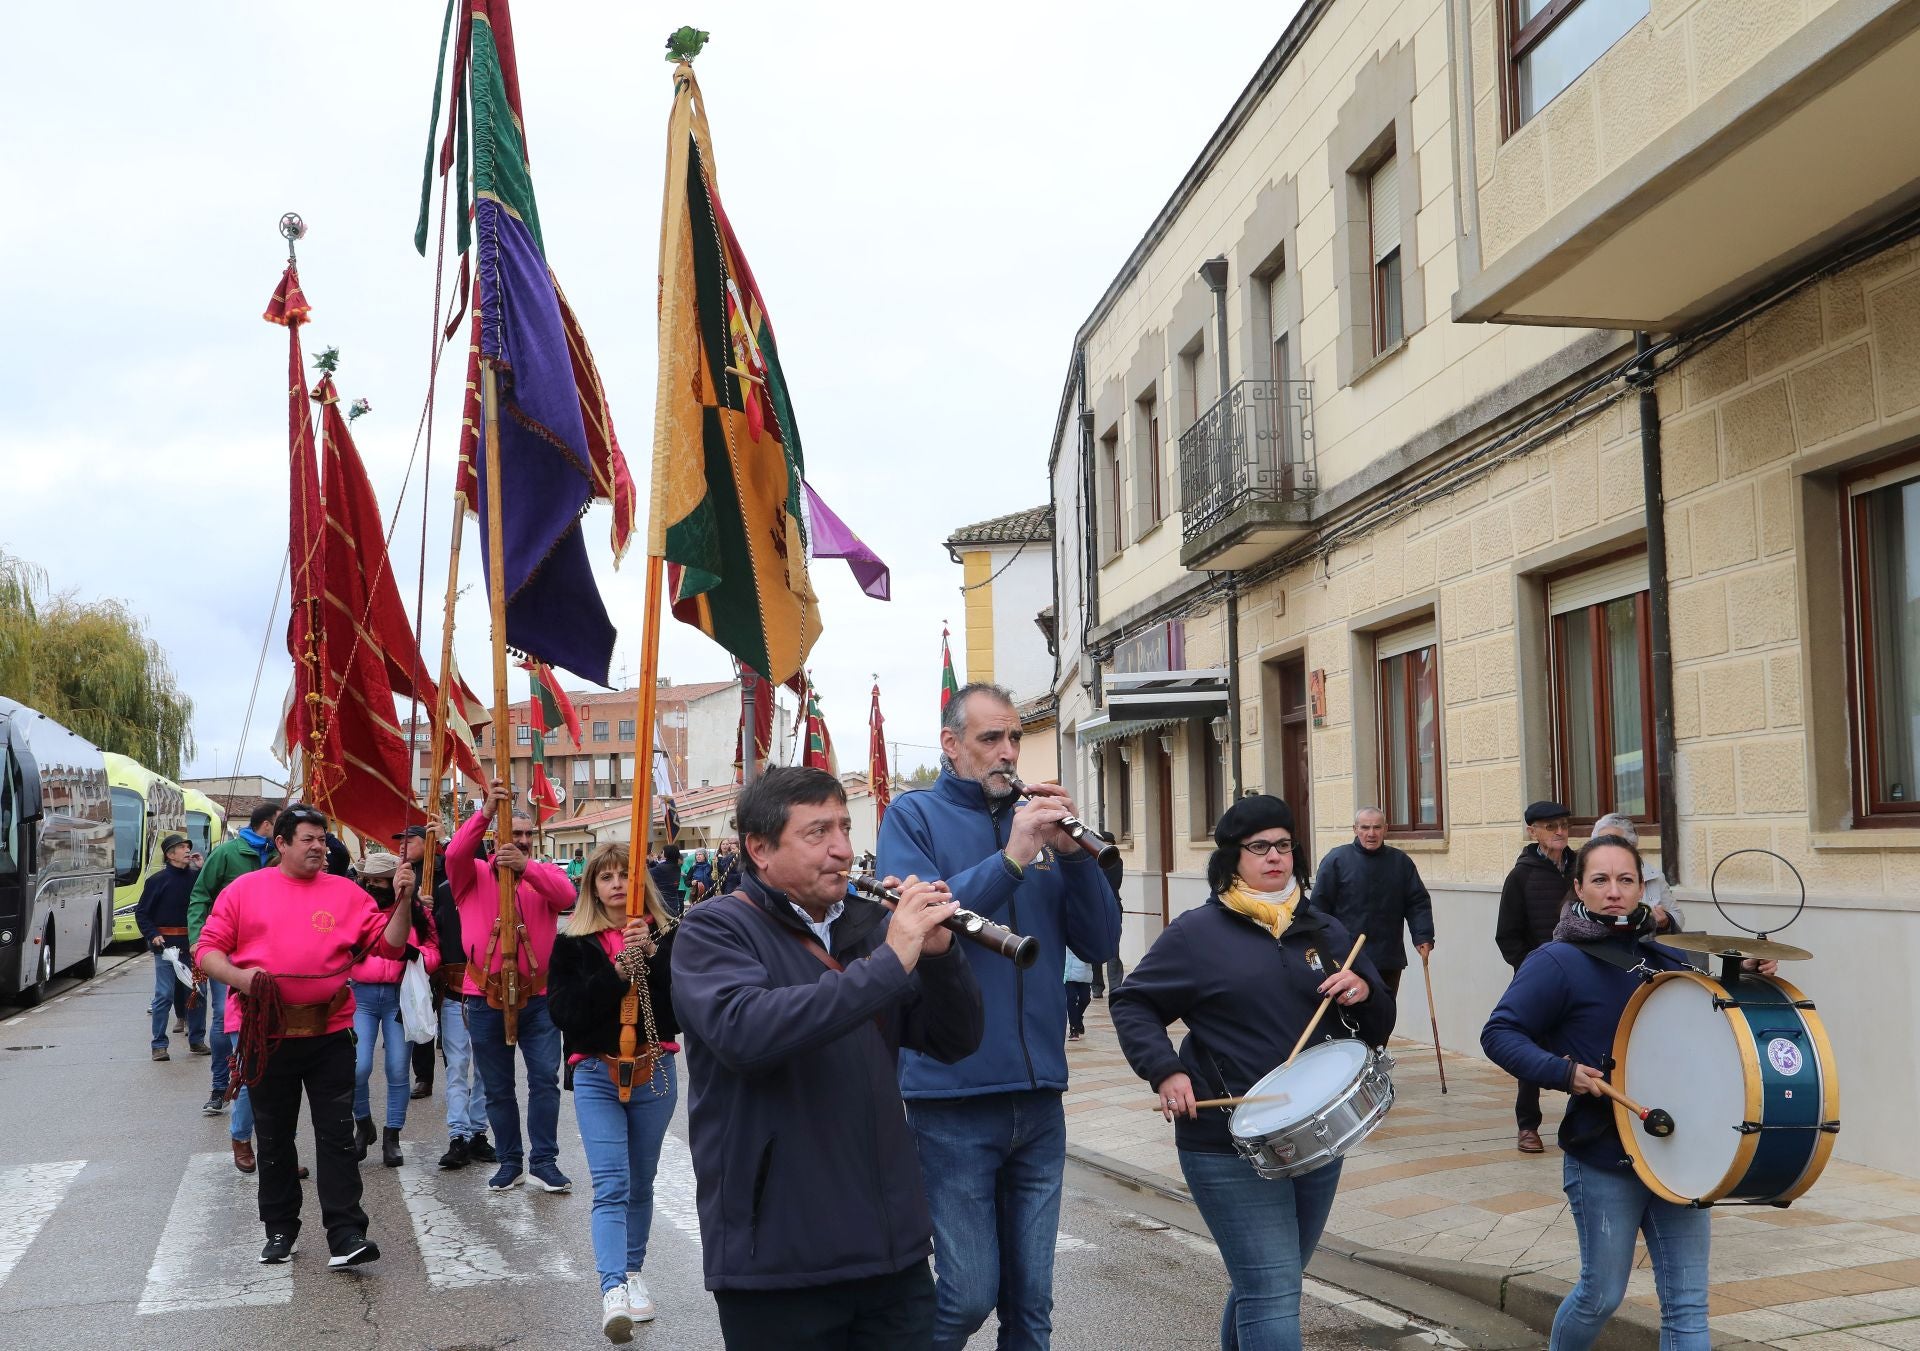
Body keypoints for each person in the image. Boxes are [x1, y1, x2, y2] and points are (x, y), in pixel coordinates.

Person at [673, 767, 985, 1350]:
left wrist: (941, 959)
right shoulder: (713, 929)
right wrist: (891, 964)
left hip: (892, 1257)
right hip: (778, 1262)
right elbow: (746, 1032)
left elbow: (955, 1039)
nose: (843, 848)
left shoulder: (867, 929)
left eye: (844, 827)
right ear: (760, 849)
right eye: (818, 833)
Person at [877, 682, 1121, 1351]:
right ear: (952, 745)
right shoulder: (912, 818)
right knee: (965, 1295)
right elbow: (925, 915)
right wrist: (1013, 857)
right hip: (953, 1099)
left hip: (1040, 1097)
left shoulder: (1037, 820)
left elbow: (1099, 944)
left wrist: (1074, 862)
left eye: (1014, 737)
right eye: (990, 739)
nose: (1008, 752)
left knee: (1032, 1307)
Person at [1112, 795, 1395, 1351]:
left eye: (1284, 845)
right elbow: (1133, 1003)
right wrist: (1165, 1071)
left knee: (1269, 1286)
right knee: (1269, 1291)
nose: (1275, 857)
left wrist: (1363, 992)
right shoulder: (1198, 934)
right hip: (1226, 1141)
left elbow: (1378, 1023)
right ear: (1232, 858)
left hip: (1315, 1136)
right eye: (1259, 847)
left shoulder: (1326, 931)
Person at [1482, 833, 1774, 1349]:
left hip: (1678, 1152)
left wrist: (1746, 973)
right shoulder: (1556, 960)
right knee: (1601, 1295)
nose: (1613, 891)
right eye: (1600, 880)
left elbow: (1710, 1022)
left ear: (1643, 889)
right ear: (1578, 889)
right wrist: (1561, 1071)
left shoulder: (1668, 958)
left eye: (1625, 879)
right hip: (1603, 1153)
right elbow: (1499, 1034)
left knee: (1687, 1306)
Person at [196, 804, 419, 1267]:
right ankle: (280, 1231)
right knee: (274, 1138)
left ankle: (346, 1235)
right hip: (266, 1036)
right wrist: (243, 980)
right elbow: (208, 952)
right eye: (308, 839)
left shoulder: (347, 893)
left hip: (330, 1032)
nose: (319, 846)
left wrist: (404, 900)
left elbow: (391, 944)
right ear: (280, 843)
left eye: (322, 838)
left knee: (336, 1136)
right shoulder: (243, 891)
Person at [549, 844, 680, 1342]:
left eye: (625, 874)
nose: (617, 884)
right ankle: (612, 1290)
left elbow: (684, 1010)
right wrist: (617, 973)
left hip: (654, 1069)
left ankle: (633, 1272)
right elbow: (567, 1013)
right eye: (606, 877)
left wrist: (652, 958)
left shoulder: (666, 935)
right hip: (596, 1074)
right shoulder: (573, 944)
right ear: (592, 887)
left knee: (641, 1181)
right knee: (611, 1183)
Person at [447, 782, 576, 1193]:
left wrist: (526, 868)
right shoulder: (473, 875)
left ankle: (544, 1161)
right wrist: (484, 812)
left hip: (538, 998)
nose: (521, 840)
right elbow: (453, 853)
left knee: (544, 1081)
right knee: (498, 1086)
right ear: (497, 836)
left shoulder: (545, 874)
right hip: (485, 996)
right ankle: (509, 1160)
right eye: (513, 833)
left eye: (526, 835)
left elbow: (567, 895)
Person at [397, 824, 494, 1171]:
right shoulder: (440, 892)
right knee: (457, 1067)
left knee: (484, 1067)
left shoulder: (498, 895)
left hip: (489, 994)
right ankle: (458, 1134)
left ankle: (478, 1132)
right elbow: (428, 939)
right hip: (454, 993)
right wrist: (421, 910)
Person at [188, 802, 278, 1171]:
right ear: (270, 826)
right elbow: (200, 896)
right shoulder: (227, 854)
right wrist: (199, 943)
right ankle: (220, 1084)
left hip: (273, 966)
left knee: (276, 1067)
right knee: (230, 1025)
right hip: (231, 959)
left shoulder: (280, 853)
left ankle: (276, 1152)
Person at [1495, 801, 1577, 1154]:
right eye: (1549, 826)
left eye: (1563, 825)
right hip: (1539, 975)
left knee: (1588, 1047)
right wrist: (1530, 968)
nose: (1559, 832)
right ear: (1533, 832)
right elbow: (1507, 935)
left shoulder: (1582, 868)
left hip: (1581, 971)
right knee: (1529, 1050)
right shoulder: (1521, 876)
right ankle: (1528, 1125)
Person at [348, 850, 438, 1168]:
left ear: (395, 883)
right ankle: (363, 1124)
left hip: (401, 998)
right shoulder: (355, 910)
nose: (373, 886)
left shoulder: (416, 912)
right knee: (357, 1067)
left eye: (380, 881)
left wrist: (412, 954)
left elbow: (433, 950)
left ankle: (392, 1137)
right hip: (363, 996)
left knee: (398, 1068)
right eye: (368, 880)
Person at [1310, 807, 1435, 997]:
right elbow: (1319, 908)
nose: (1371, 834)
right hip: (1347, 957)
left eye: (1377, 827)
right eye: (1365, 827)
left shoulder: (1400, 862)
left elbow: (1417, 902)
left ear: (1385, 829)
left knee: (1384, 1015)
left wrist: (1423, 936)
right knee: (1351, 1015)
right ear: (1355, 829)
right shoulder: (1336, 860)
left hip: (1388, 957)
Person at [136, 832, 207, 1061]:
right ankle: (158, 1045)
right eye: (181, 847)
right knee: (164, 995)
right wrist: (153, 934)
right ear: (170, 854)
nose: (187, 850)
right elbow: (143, 913)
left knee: (197, 993)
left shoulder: (197, 877)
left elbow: (210, 900)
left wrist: (202, 868)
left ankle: (196, 1041)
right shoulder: (157, 881)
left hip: (194, 945)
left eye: (188, 846)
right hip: (166, 948)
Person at [1590, 813, 1685, 935]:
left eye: (1615, 843)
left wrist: (1665, 922)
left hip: (1645, 949)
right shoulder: (1589, 876)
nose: (1607, 849)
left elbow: (1677, 916)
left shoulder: (1653, 876)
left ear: (1632, 846)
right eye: (1601, 843)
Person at [1063, 951, 1092, 1042]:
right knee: (1071, 999)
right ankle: (1074, 1028)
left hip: (1085, 973)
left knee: (1085, 999)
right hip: (1068, 973)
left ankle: (1078, 1019)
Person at [648, 845, 684, 917]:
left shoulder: (662, 868)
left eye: (663, 852)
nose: (661, 854)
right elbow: (660, 868)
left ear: (667, 853)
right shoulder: (676, 867)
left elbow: (648, 874)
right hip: (673, 902)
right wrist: (652, 862)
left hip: (663, 903)